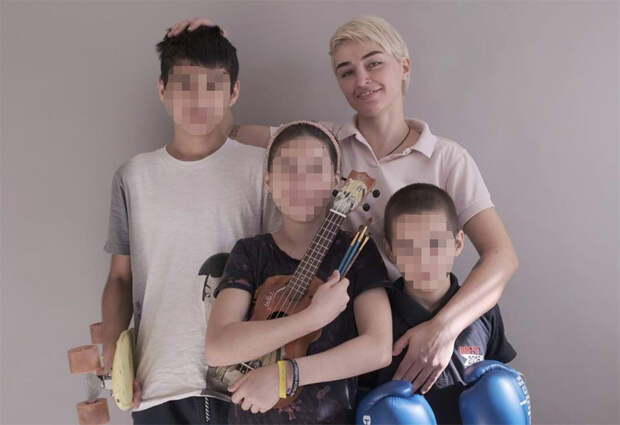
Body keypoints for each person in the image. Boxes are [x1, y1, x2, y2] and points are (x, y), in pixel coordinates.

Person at [168, 14, 519, 394]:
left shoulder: (448, 158)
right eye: (346, 71)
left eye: (374, 63)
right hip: (343, 331)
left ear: (404, 67)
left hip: (428, 318)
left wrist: (442, 329)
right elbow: (222, 130)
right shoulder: (324, 144)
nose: (362, 80)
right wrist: (211, 51)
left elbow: (501, 257)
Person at [101, 25, 278, 424]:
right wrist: (113, 351)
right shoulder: (133, 176)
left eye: (214, 86)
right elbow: (119, 278)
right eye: (184, 85)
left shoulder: (262, 170)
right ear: (162, 89)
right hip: (156, 382)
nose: (199, 99)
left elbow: (284, 266)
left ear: (234, 92)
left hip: (246, 381)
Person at [205, 121, 393, 424]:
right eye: (288, 169)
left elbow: (378, 348)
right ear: (268, 180)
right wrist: (311, 318)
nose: (301, 182)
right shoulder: (251, 252)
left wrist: (287, 374)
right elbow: (218, 348)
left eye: (315, 170)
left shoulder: (356, 251)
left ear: (335, 180)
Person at [357, 183, 517, 424]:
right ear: (390, 251)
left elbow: (504, 385)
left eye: (435, 244)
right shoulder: (378, 316)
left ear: (457, 243)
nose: (423, 259)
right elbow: (360, 399)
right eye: (408, 246)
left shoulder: (482, 310)